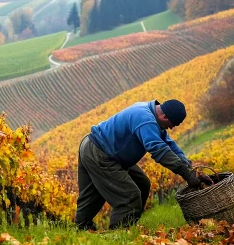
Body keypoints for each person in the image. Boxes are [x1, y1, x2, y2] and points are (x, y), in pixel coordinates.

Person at [75, 99, 210, 231]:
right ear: (164, 116)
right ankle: (119, 235)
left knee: (142, 184)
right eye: (172, 124)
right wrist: (186, 174)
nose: (172, 127)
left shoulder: (152, 112)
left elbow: (168, 143)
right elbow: (159, 150)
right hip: (100, 152)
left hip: (102, 149)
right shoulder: (146, 119)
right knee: (129, 196)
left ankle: (86, 227)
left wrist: (191, 169)